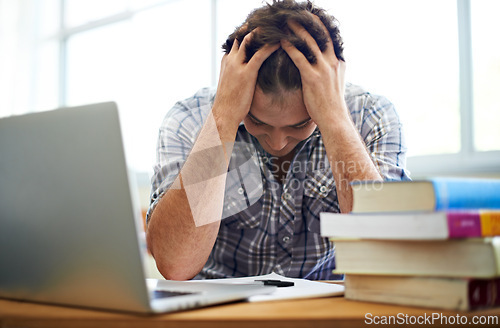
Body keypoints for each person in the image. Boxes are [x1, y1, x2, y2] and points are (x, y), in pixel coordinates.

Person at [146, 0, 410, 281]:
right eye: (258, 121)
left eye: (299, 124)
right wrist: (223, 118)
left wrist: (334, 120)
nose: (277, 141)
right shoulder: (189, 118)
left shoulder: (371, 116)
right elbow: (174, 265)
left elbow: (386, 253)